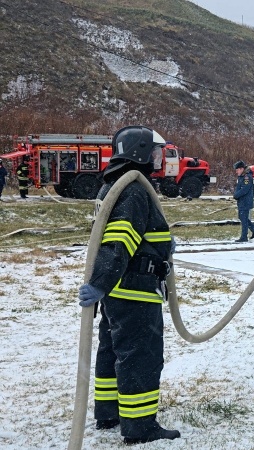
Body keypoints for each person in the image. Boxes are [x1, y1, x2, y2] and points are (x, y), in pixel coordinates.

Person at [77, 125, 180, 445]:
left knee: (113, 349)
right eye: (154, 151)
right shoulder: (134, 189)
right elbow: (118, 241)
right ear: (138, 151)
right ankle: (140, 426)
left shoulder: (113, 185)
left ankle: (109, 412)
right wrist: (100, 281)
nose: (158, 157)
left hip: (119, 291)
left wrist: (161, 242)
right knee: (140, 355)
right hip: (136, 288)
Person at [233, 160, 254, 242]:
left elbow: (245, 189)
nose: (236, 172)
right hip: (242, 200)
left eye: (237, 170)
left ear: (241, 169)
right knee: (242, 217)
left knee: (243, 218)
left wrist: (236, 195)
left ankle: (244, 237)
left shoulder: (246, 177)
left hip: (245, 201)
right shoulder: (242, 176)